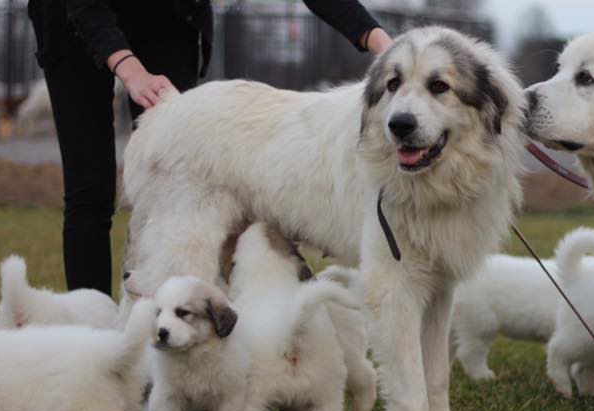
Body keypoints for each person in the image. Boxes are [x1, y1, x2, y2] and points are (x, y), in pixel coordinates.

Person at [27, 0, 392, 296]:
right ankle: (93, 340)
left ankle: (156, 324)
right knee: (90, 190)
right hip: (74, 18)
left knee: (180, 174)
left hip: (168, 17)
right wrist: (129, 68)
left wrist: (386, 47)